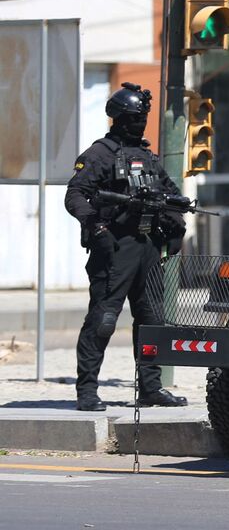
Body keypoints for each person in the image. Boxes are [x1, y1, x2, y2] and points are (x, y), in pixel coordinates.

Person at [64, 83, 188, 412]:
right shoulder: (99, 154)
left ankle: (150, 387)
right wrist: (97, 227)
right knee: (103, 320)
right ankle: (87, 391)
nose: (140, 124)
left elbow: (170, 194)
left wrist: (176, 223)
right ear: (119, 118)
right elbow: (75, 195)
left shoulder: (147, 157)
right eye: (135, 118)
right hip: (115, 247)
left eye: (143, 118)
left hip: (147, 247)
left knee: (152, 321)